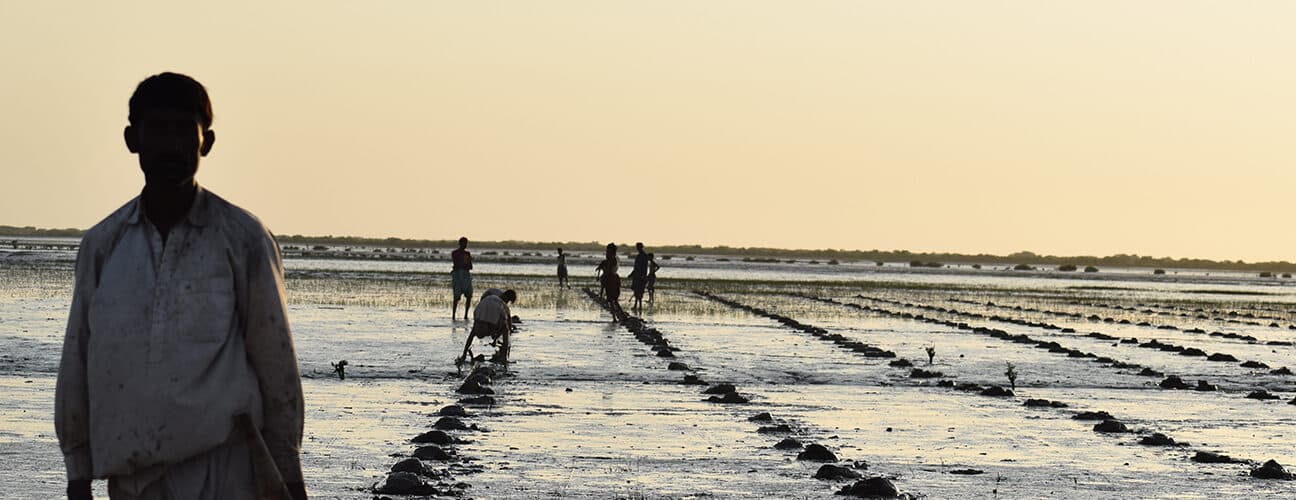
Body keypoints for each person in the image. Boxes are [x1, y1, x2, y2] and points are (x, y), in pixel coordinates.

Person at [55, 73, 307, 500]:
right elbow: (78, 359)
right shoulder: (103, 245)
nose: (170, 145)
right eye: (156, 129)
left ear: (205, 142)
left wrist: (290, 477)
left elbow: (276, 364)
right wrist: (77, 475)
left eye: (181, 130)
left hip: (224, 470)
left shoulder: (242, 238)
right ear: (132, 139)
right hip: (132, 477)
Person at [456, 289, 518, 365]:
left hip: (480, 321)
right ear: (507, 299)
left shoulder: (490, 299)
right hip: (489, 325)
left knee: (473, 332)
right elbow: (508, 325)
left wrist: (495, 339)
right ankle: (504, 359)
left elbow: (477, 317)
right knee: (505, 330)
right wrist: (505, 338)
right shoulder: (503, 306)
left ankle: (464, 355)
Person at [595, 243, 625, 320]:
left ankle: (615, 317)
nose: (606, 251)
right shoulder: (615, 258)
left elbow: (608, 269)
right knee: (614, 300)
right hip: (615, 278)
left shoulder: (611, 258)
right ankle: (621, 315)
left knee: (612, 300)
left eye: (608, 250)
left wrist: (603, 276)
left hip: (610, 279)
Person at [451, 237, 473, 320]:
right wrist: (464, 264)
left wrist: (465, 264)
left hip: (466, 276)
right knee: (456, 296)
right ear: (460, 243)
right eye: (464, 243)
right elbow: (456, 264)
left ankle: (466, 315)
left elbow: (470, 266)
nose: (465, 245)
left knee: (469, 295)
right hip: (458, 276)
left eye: (466, 243)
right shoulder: (455, 253)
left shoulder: (467, 254)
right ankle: (453, 315)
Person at [628, 242, 649, 312]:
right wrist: (632, 274)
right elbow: (636, 267)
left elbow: (644, 268)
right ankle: (636, 305)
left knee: (639, 292)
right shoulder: (639, 256)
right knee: (636, 292)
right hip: (637, 276)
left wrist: (643, 276)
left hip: (640, 276)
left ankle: (639, 306)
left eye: (638, 247)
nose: (637, 248)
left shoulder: (644, 256)